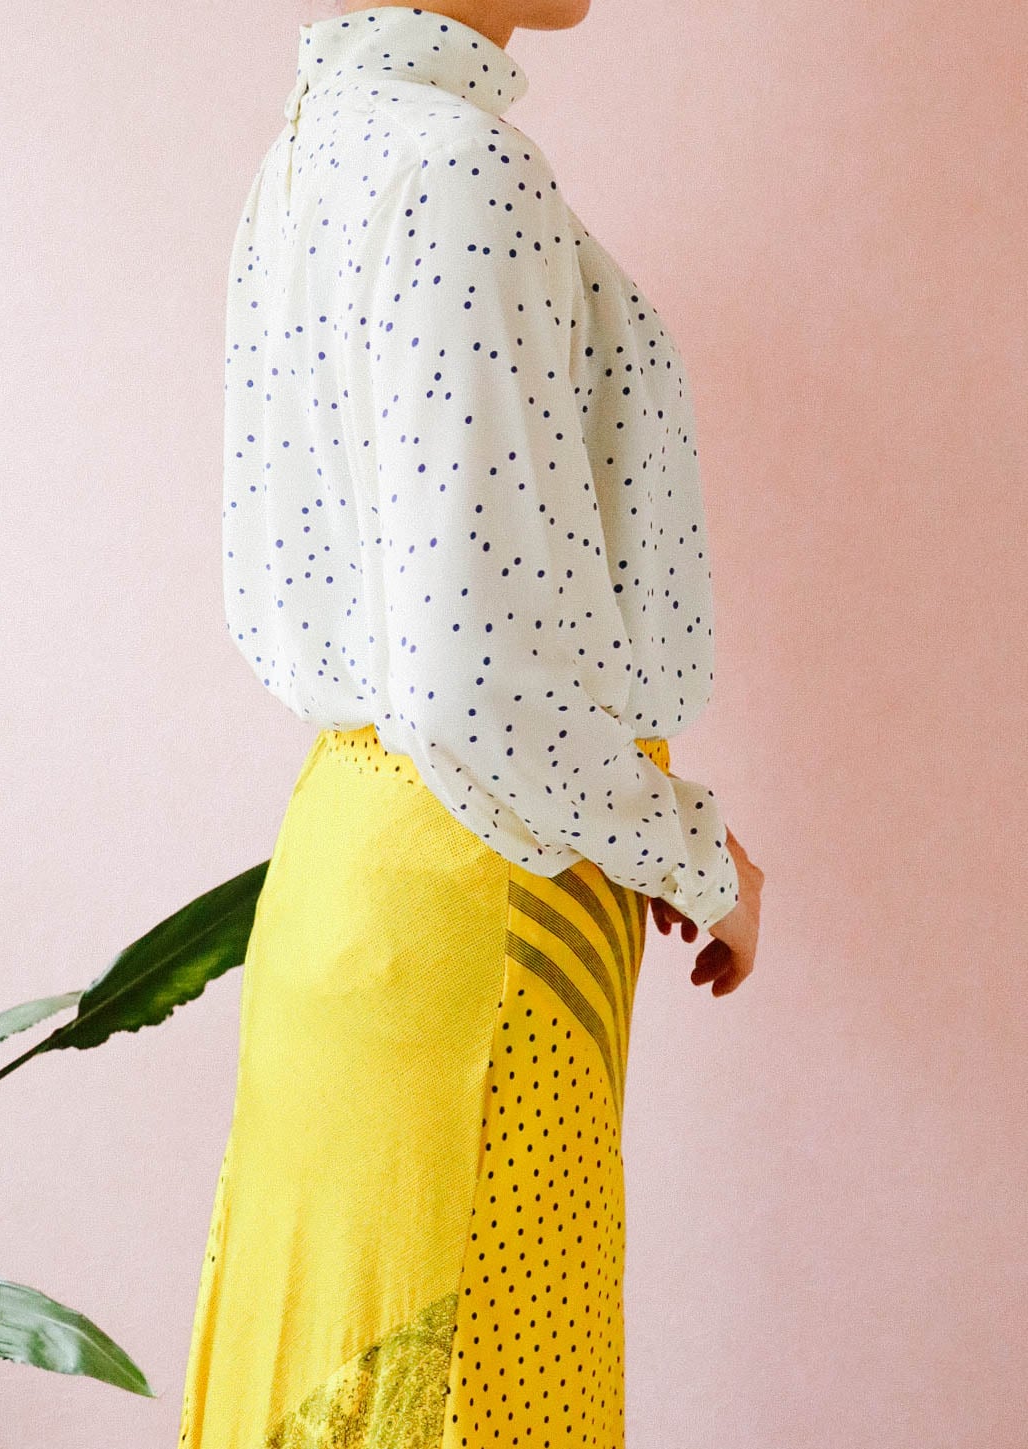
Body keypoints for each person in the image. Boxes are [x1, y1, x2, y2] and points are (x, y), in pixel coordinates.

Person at [178, 2, 765, 1444]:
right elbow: (473, 680)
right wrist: (695, 857)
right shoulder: (458, 169)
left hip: (353, 877)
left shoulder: (314, 153)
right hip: (479, 897)